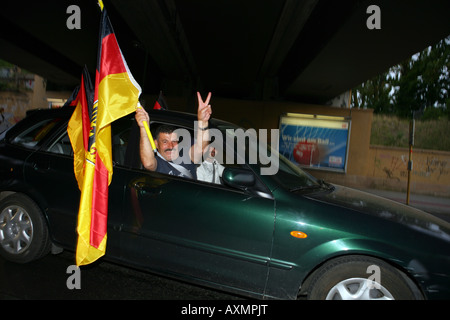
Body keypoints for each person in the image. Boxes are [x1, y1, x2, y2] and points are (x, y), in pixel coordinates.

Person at [135, 92, 212, 179]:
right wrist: (143, 128)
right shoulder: (158, 163)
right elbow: (148, 163)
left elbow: (201, 148)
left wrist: (203, 122)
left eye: (174, 141)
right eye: (165, 142)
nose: (170, 146)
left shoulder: (186, 157)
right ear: (156, 144)